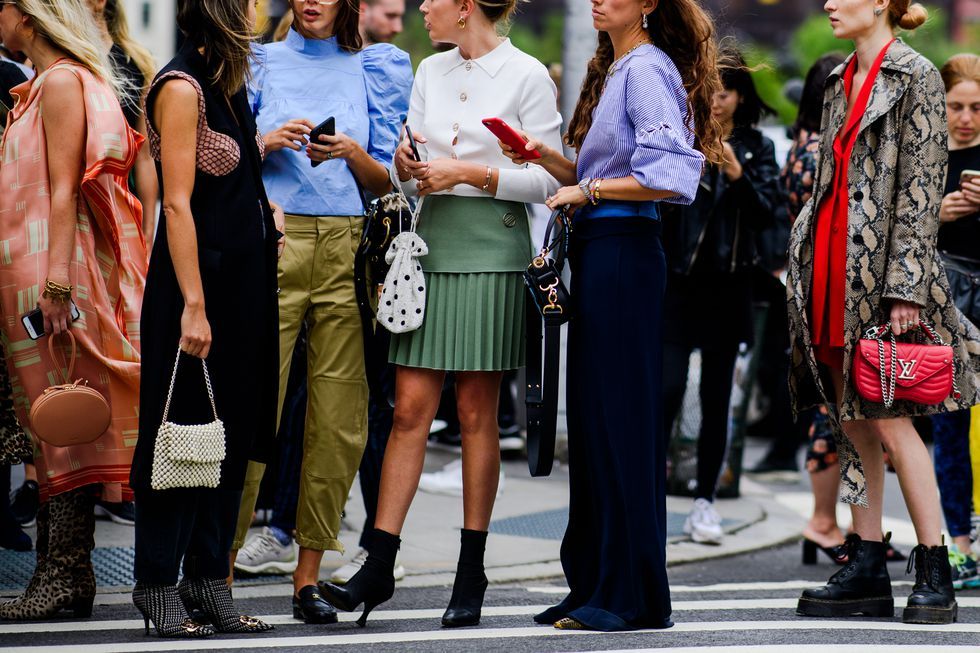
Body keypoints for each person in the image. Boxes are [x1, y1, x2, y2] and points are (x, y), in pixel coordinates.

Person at [318, 0, 562, 629]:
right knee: (408, 412)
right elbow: (411, 171)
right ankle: (379, 563)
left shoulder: (527, 74)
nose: (422, 5)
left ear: (465, 8)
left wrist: (472, 173)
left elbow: (547, 180)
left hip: (494, 247)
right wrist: (407, 168)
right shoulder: (429, 70)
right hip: (429, 245)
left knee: (478, 413)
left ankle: (470, 569)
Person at [504, 0, 719, 631]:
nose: (597, 0)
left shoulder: (646, 68)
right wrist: (544, 159)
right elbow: (601, 175)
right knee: (597, 422)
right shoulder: (619, 66)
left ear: (648, 4)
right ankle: (596, 583)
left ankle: (633, 594)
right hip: (603, 253)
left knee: (620, 420)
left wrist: (589, 190)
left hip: (625, 255)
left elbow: (672, 175)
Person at [787, 0, 980, 626]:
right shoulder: (841, 78)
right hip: (830, 267)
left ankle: (934, 566)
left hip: (879, 277)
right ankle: (867, 559)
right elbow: (827, 183)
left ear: (880, 4)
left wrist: (905, 287)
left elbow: (922, 188)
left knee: (894, 419)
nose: (829, 5)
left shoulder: (916, 75)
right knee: (852, 418)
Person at [231, 0, 412, 624]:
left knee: (339, 417)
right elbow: (222, 166)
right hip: (274, 239)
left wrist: (351, 153)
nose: (311, 1)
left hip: (350, 247)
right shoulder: (258, 60)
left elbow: (389, 180)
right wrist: (265, 142)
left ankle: (307, 578)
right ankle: (216, 572)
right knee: (256, 404)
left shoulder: (380, 67)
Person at [130, 0, 281, 638]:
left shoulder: (227, 82)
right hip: (200, 289)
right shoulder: (181, 86)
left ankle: (204, 578)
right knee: (180, 438)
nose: (259, 9)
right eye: (248, 1)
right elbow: (179, 205)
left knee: (231, 435)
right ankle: (157, 582)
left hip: (243, 287)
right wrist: (193, 303)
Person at [0, 0, 146, 621]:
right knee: (54, 426)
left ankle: (64, 576)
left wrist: (56, 284)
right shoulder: (44, 83)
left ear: (28, 16)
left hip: (51, 276)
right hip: (38, 271)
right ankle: (64, 575)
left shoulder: (59, 81)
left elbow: (65, 188)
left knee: (59, 426)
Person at [660, 48, 780, 545]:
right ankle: (650, 493)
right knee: (663, 390)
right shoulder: (681, 137)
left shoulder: (755, 147)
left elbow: (767, 213)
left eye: (724, 91)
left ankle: (705, 501)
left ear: (741, 97)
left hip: (729, 289)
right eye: (707, 88)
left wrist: (735, 174)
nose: (714, 100)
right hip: (678, 285)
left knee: (715, 401)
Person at [933, 52, 980, 590]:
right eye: (955, 106)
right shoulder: (926, 157)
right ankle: (958, 544)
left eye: (975, 107)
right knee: (949, 424)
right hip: (945, 296)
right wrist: (935, 212)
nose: (965, 117)